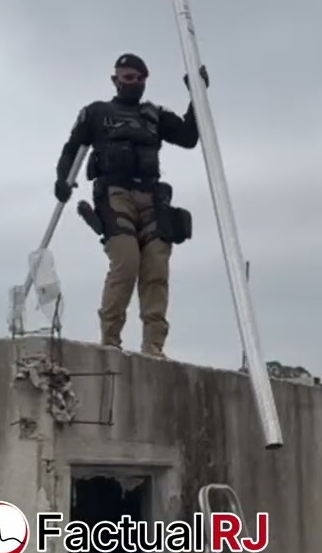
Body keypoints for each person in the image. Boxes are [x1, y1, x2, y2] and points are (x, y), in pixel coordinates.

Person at [53, 53, 208, 357]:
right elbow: (71, 149)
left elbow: (189, 137)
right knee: (126, 261)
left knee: (156, 267)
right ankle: (110, 339)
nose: (134, 83)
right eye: (128, 78)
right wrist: (62, 180)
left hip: (151, 197)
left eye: (139, 79)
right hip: (115, 193)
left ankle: (154, 346)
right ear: (116, 80)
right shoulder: (97, 113)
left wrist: (197, 96)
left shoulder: (155, 115)